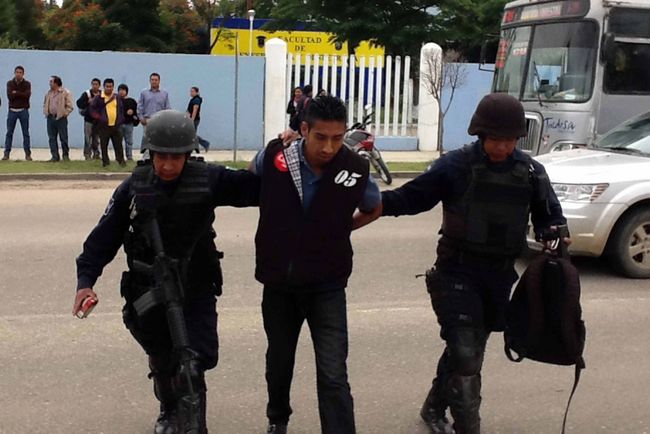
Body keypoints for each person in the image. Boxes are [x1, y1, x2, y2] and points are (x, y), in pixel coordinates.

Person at [376, 93, 569, 434]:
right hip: (456, 272)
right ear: (480, 134)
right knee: (466, 355)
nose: (502, 147)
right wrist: (367, 202)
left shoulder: (530, 172)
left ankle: (433, 408)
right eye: (495, 139)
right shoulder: (456, 166)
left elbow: (550, 216)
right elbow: (409, 198)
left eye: (509, 140)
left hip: (499, 277)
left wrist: (553, 233)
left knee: (467, 351)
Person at [73, 110, 260, 433]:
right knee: (162, 358)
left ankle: (194, 425)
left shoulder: (209, 179)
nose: (168, 165)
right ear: (150, 153)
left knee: (192, 362)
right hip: (148, 287)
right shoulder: (134, 187)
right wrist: (85, 282)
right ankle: (169, 410)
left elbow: (257, 189)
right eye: (161, 156)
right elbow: (103, 238)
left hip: (195, 286)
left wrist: (275, 151)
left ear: (188, 155)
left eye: (176, 157)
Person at [250, 95, 382, 434]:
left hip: (327, 286)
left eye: (337, 138)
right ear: (304, 129)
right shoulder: (276, 157)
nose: (328, 147)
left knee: (334, 372)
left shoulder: (354, 168)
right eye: (321, 137)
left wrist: (341, 229)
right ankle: (277, 419)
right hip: (279, 284)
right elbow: (251, 178)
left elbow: (373, 207)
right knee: (279, 362)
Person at [89, 78, 126, 167]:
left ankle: (121, 161)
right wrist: (100, 118)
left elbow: (121, 109)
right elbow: (92, 109)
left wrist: (120, 119)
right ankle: (105, 162)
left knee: (118, 145)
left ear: (113, 87)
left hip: (116, 126)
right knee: (104, 145)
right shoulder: (99, 98)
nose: (109, 88)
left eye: (110, 86)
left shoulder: (117, 97)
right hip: (104, 126)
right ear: (104, 87)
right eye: (107, 86)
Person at [3, 66, 31, 161]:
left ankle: (28, 154)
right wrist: (20, 93)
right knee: (9, 133)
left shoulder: (27, 84)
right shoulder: (10, 83)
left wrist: (16, 92)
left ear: (23, 74)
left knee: (25, 133)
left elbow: (27, 95)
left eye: (20, 72)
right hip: (12, 111)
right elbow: (10, 96)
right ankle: (6, 154)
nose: (18, 74)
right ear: (14, 73)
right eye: (17, 72)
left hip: (23, 111)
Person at [43, 75, 74, 162]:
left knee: (63, 138)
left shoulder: (65, 92)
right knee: (52, 138)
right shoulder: (48, 93)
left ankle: (65, 155)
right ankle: (55, 156)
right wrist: (46, 111)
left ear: (56, 83)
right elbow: (45, 103)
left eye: (51, 82)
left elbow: (70, 106)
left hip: (61, 118)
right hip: (50, 118)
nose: (49, 83)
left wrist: (64, 114)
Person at [138, 72, 171, 150]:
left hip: (160, 120)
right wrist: (141, 118)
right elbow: (140, 106)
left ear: (159, 81)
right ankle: (146, 155)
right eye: (152, 80)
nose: (154, 81)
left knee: (160, 139)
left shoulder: (164, 93)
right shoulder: (144, 93)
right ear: (150, 81)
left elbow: (167, 107)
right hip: (148, 120)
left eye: (156, 80)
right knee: (147, 139)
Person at [77, 78, 102, 161]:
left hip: (99, 120)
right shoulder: (86, 94)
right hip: (88, 120)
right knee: (88, 138)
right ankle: (87, 154)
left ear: (99, 85)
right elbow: (79, 103)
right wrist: (87, 102)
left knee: (96, 138)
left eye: (96, 84)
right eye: (93, 84)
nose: (94, 86)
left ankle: (96, 154)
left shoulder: (102, 94)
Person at [118, 83, 139, 161]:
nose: (121, 92)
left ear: (126, 91)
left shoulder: (131, 101)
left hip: (129, 124)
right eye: (120, 90)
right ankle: (119, 157)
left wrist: (133, 114)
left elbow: (137, 113)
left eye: (123, 90)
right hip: (119, 124)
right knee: (118, 141)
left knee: (129, 141)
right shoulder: (116, 101)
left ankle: (129, 156)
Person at [186, 86, 210, 152]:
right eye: (190, 91)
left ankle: (205, 144)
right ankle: (197, 148)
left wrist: (192, 120)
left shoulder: (196, 100)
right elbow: (189, 110)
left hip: (195, 120)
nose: (191, 93)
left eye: (192, 91)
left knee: (191, 135)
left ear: (197, 92)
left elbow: (195, 110)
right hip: (191, 119)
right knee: (192, 135)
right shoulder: (193, 99)